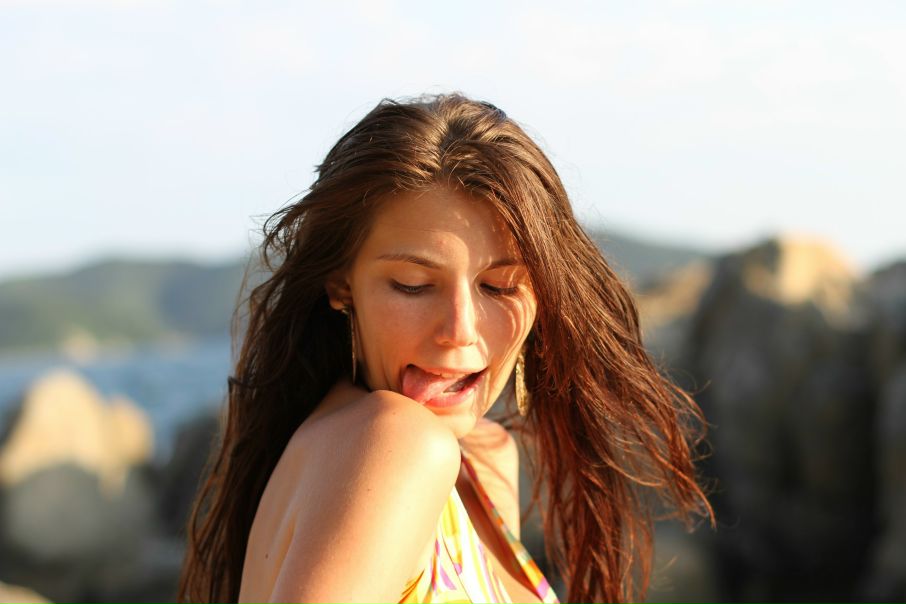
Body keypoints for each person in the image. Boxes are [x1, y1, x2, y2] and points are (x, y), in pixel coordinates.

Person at [177, 93, 711, 604]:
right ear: (341, 285)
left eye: (500, 287)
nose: (460, 328)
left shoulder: (481, 461)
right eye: (412, 285)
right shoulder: (397, 447)